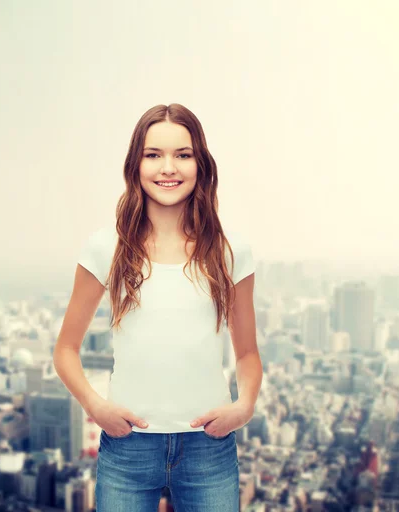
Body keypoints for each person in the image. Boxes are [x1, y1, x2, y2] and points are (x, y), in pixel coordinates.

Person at [53, 103, 262, 511]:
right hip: (127, 447)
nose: (169, 167)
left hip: (209, 447)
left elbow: (248, 353)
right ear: (136, 165)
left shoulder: (231, 250)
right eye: (154, 155)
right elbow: (65, 349)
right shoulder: (106, 246)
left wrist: (244, 407)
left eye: (183, 155)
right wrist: (96, 407)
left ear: (200, 164)